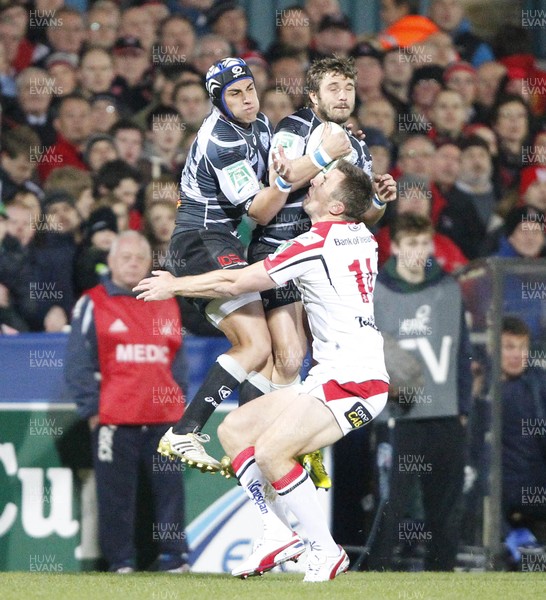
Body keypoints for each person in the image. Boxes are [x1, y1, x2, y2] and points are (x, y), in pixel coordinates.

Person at [134, 160, 390, 581]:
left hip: (354, 383)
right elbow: (366, 209)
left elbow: (234, 284)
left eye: (324, 180)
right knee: (234, 430)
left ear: (338, 207)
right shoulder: (360, 234)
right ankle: (275, 531)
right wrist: (374, 194)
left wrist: (174, 285)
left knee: (272, 452)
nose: (316, 179)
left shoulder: (315, 244)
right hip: (332, 378)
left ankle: (326, 551)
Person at [146, 57, 346, 473]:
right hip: (202, 239)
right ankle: (186, 431)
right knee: (255, 345)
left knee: (275, 352)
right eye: (234, 94)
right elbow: (260, 209)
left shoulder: (259, 126)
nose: (247, 100)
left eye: (250, 89)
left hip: (221, 240)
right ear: (219, 100)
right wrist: (323, 158)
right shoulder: (222, 140)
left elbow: (283, 177)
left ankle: (255, 438)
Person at [64, 231, 190, 573]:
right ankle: (120, 562)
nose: (133, 263)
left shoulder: (166, 299)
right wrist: (92, 410)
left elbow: (176, 360)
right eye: (126, 257)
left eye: (140, 257)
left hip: (164, 418)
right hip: (114, 418)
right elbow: (78, 362)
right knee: (115, 495)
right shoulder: (92, 301)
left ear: (149, 262)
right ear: (113, 261)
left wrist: (181, 403)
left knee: (169, 493)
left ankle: (174, 558)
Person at [371, 212, 472, 571]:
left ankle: (441, 574)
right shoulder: (376, 292)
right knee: (391, 504)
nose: (419, 251)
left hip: (445, 415)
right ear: (395, 247)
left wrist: (463, 409)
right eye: (411, 243)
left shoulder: (448, 288)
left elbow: (462, 353)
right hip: (397, 416)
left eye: (424, 243)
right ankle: (379, 571)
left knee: (445, 507)